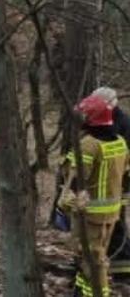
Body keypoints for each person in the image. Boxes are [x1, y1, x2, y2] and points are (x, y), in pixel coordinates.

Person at [63, 94, 128, 297]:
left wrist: (66, 203)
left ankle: (98, 293)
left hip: (90, 214)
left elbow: (77, 179)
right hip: (111, 213)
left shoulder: (89, 145)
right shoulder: (120, 142)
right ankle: (82, 291)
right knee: (93, 257)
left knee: (93, 261)